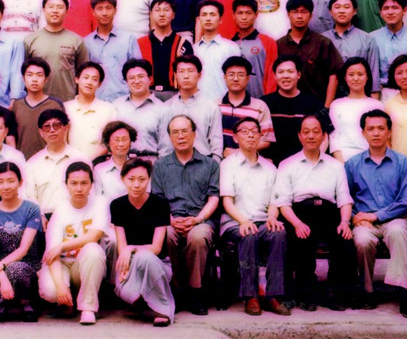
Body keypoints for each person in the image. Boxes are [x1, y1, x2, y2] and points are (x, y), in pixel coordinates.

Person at [272, 114, 357, 311]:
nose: (311, 136)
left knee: (343, 241)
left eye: (316, 132)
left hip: (329, 212)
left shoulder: (336, 166)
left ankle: (337, 292)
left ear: (323, 136)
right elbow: (283, 202)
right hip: (300, 212)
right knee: (302, 240)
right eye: (306, 132)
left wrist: (345, 222)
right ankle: (306, 293)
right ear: (299, 136)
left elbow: (344, 198)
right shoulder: (287, 164)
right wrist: (297, 223)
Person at [345, 109, 407, 318]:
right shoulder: (352, 164)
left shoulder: (404, 163)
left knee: (397, 233)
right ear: (363, 133)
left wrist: (375, 216)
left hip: (396, 218)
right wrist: (355, 217)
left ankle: (403, 294)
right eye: (371, 129)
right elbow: (345, 197)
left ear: (389, 132)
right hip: (364, 221)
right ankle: (367, 291)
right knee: (362, 241)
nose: (376, 133)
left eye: (380, 128)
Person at [220, 117, 290, 317]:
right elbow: (227, 202)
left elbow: (274, 201)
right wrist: (244, 221)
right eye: (244, 131)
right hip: (235, 222)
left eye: (254, 131)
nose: (250, 135)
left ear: (260, 136)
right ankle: (250, 296)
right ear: (235, 137)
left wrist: (272, 218)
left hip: (262, 220)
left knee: (278, 233)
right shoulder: (228, 165)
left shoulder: (270, 168)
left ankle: (273, 295)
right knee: (249, 234)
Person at [151, 115, 220, 315]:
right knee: (167, 235)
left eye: (184, 131)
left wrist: (197, 219)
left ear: (194, 134)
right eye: (175, 132)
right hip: (170, 219)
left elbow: (213, 198)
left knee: (197, 237)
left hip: (200, 219)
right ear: (170, 137)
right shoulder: (161, 166)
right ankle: (176, 290)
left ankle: (195, 292)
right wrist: (171, 220)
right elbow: (157, 200)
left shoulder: (210, 165)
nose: (180, 136)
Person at [38, 162, 109, 325]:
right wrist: (60, 287)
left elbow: (94, 235)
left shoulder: (100, 203)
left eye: (84, 183)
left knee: (93, 249)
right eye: (74, 183)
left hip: (84, 264)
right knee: (51, 291)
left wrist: (63, 246)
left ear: (91, 184)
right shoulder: (60, 211)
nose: (79, 188)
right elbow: (52, 255)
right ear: (66, 185)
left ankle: (88, 308)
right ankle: (66, 300)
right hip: (62, 264)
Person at [109, 157, 175, 327]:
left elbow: (156, 248)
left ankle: (162, 310)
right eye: (131, 179)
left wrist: (131, 248)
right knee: (127, 289)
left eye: (141, 179)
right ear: (123, 179)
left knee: (144, 256)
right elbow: (122, 246)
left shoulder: (160, 204)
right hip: (130, 265)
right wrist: (125, 265)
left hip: (158, 265)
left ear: (149, 179)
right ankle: (144, 304)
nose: (136, 185)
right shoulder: (117, 205)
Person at [0, 162, 43, 323]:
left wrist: (0, 268)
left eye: (11, 181)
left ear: (20, 182)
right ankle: (5, 302)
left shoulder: (32, 209)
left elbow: (23, 249)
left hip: (26, 263)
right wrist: (1, 275)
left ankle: (24, 302)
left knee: (17, 270)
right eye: (0, 182)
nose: (6, 186)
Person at [275, 0, 343, 105]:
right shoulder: (279, 45)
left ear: (311, 15)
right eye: (295, 12)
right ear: (288, 14)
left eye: (304, 12)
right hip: (285, 106)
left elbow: (334, 75)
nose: (299, 16)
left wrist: (327, 107)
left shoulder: (322, 42)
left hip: (317, 105)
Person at [261, 55, 325, 166]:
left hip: (306, 164)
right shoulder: (264, 103)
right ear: (274, 76)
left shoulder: (313, 102)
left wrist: (315, 161)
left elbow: (324, 136)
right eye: (281, 72)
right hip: (271, 165)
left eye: (290, 71)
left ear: (298, 75)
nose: (285, 76)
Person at [24, 0, 89, 102]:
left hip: (68, 101)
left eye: (60, 7)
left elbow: (84, 74)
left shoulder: (77, 40)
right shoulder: (30, 40)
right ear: (43, 10)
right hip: (37, 102)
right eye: (51, 7)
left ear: (66, 11)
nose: (55, 10)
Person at [160, 55, 224, 159]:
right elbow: (164, 144)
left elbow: (217, 144)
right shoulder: (166, 107)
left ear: (199, 75)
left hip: (203, 162)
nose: (186, 76)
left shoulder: (211, 107)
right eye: (181, 71)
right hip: (173, 163)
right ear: (175, 75)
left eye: (190, 71)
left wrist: (214, 166)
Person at [25, 109, 85, 217]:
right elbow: (30, 196)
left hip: (76, 216)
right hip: (44, 219)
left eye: (56, 125)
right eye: (47, 127)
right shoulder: (32, 163)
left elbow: (89, 192)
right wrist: (40, 217)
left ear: (66, 128)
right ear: (41, 132)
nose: (52, 130)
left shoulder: (80, 158)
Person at [84, 0, 142, 102]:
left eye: (108, 8)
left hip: (124, 100)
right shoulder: (86, 42)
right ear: (93, 12)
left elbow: (137, 71)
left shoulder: (128, 39)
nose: (104, 13)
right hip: (95, 101)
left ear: (115, 10)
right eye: (99, 9)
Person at [324, 0, 382, 98]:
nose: (342, 11)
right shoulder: (323, 39)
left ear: (354, 11)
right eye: (337, 7)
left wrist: (374, 102)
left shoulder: (367, 39)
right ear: (330, 11)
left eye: (346, 7)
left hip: (359, 96)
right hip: (327, 96)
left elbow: (374, 76)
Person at [329, 57, 385, 161]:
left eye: (360, 74)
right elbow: (334, 138)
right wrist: (341, 164)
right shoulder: (336, 105)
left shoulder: (377, 105)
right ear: (345, 78)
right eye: (351, 75)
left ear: (367, 77)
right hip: (344, 160)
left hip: (371, 161)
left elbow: (383, 138)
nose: (356, 78)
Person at [138, 0, 193, 98]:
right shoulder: (140, 43)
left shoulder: (183, 44)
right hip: (147, 94)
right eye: (157, 10)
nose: (162, 14)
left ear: (173, 15)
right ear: (151, 14)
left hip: (176, 95)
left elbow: (189, 73)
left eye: (166, 10)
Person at [11, 58, 64, 159]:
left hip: (49, 160)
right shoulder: (17, 105)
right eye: (30, 75)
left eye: (39, 75)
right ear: (23, 78)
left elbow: (63, 136)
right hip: (22, 160)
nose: (34, 79)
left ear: (46, 79)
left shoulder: (55, 105)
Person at [64, 62, 117, 160]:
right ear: (76, 79)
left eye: (94, 79)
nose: (89, 82)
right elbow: (62, 142)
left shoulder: (108, 109)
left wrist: (89, 161)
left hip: (98, 163)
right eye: (86, 77)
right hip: (70, 163)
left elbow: (109, 141)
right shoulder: (66, 108)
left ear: (100, 84)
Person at [112, 59, 166, 155]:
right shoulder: (117, 106)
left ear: (150, 79)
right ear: (126, 82)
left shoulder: (162, 109)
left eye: (140, 76)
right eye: (131, 78)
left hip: (151, 160)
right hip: (123, 160)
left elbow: (166, 147)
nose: (136, 81)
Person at [194, 0, 243, 102]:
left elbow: (236, 77)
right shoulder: (194, 49)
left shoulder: (230, 47)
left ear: (220, 20)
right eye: (204, 15)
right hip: (197, 103)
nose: (208, 18)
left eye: (212, 14)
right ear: (199, 19)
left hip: (223, 103)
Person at [231, 0, 278, 99]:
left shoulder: (268, 42)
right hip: (234, 101)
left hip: (261, 100)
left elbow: (272, 75)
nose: (244, 17)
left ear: (256, 14)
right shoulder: (229, 44)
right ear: (233, 15)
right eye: (240, 13)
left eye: (248, 13)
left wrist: (269, 100)